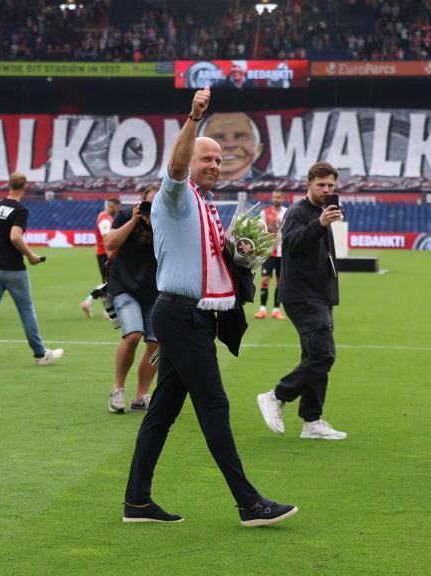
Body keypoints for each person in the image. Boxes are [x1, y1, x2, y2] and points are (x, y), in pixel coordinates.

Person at [123, 87, 296, 527]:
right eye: (208, 159)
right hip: (181, 314)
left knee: (162, 412)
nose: (214, 165)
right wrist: (194, 118)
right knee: (214, 407)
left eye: (219, 160)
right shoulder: (176, 197)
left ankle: (137, 503)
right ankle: (249, 503)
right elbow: (177, 168)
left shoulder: (204, 204)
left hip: (193, 316)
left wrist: (241, 255)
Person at [257, 162, 348, 441]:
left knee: (314, 358)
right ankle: (277, 395)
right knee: (323, 355)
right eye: (321, 185)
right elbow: (292, 244)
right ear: (308, 184)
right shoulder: (298, 213)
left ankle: (312, 421)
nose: (326, 190)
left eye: (331, 186)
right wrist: (319, 225)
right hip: (302, 296)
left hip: (320, 295)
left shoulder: (323, 212)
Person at [0, 173, 63, 368]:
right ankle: (40, 354)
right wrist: (31, 255)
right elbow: (15, 236)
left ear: (9, 186)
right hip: (13, 268)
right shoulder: (20, 210)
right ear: (25, 188)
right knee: (26, 310)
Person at [105, 184, 159, 413]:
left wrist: (159, 224)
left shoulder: (169, 221)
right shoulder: (127, 214)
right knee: (134, 335)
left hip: (154, 290)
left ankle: (141, 395)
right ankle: (117, 389)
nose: (152, 208)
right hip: (124, 286)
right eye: (149, 203)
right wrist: (135, 220)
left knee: (157, 344)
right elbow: (110, 243)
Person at [80, 197, 120, 318]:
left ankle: (106, 310)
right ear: (112, 206)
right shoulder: (105, 220)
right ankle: (88, 302)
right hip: (104, 254)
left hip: (103, 253)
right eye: (117, 207)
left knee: (109, 282)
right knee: (109, 282)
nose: (118, 210)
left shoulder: (103, 217)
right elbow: (107, 240)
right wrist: (110, 258)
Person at [201, 112, 266, 181]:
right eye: (218, 138)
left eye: (241, 137)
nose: (230, 145)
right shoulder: (190, 186)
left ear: (259, 149)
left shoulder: (272, 184)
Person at [255, 190, 287, 319]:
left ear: (282, 199)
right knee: (265, 280)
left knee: (280, 282)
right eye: (274, 197)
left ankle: (276, 310)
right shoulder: (264, 212)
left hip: (283, 253)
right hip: (268, 252)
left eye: (278, 197)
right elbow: (260, 230)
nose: (276, 199)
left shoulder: (287, 212)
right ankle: (262, 309)